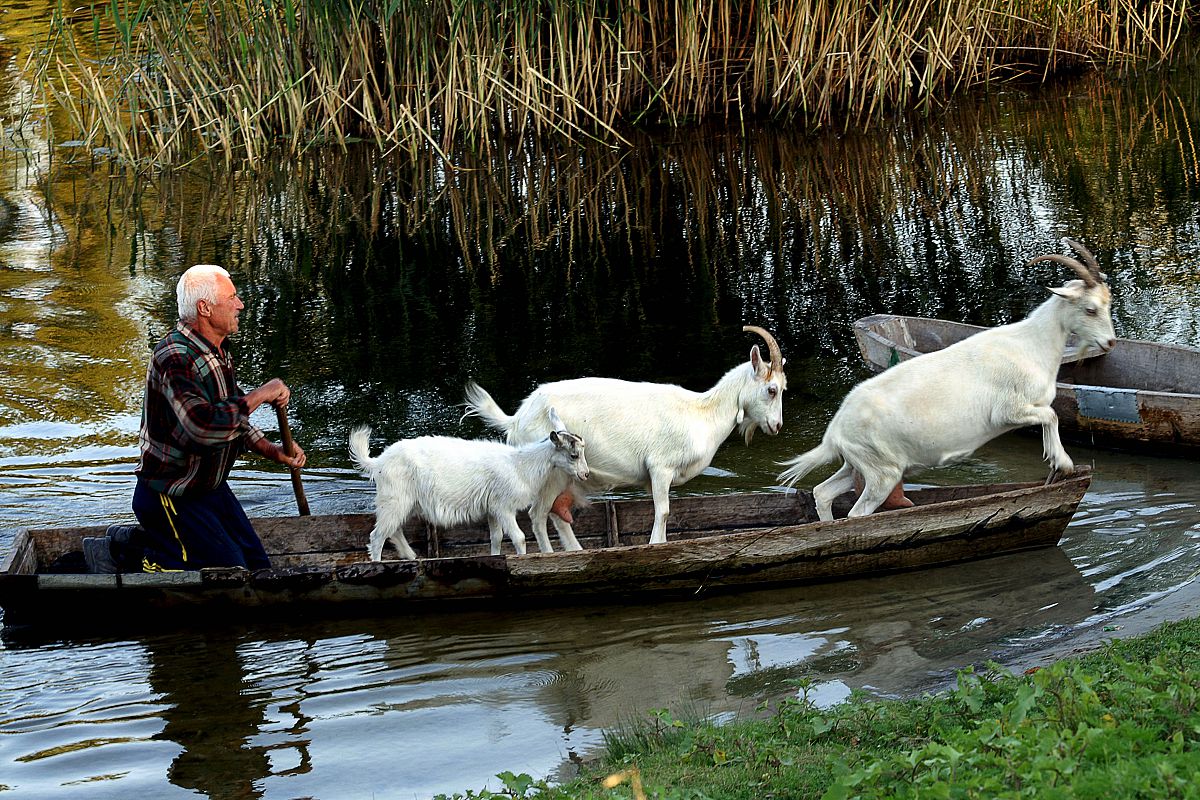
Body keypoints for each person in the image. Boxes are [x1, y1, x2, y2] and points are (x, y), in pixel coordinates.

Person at [129, 263, 307, 572]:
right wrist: (262, 394)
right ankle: (125, 553)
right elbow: (204, 428)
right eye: (232, 297)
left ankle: (160, 543)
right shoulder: (175, 357)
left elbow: (230, 413)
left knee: (257, 567)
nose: (239, 305)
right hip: (170, 492)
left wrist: (272, 450)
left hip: (207, 487)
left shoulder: (215, 352)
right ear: (205, 308)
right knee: (227, 574)